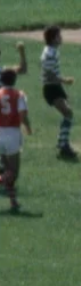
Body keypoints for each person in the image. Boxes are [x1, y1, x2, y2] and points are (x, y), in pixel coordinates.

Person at [40, 25, 78, 159]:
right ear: (53, 38)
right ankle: (63, 145)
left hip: (54, 87)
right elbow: (49, 75)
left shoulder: (52, 51)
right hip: (52, 88)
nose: (61, 38)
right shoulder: (50, 54)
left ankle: (62, 143)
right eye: (59, 36)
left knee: (68, 113)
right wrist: (64, 80)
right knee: (68, 113)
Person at [0, 69, 32, 214]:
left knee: (7, 170)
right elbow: (22, 114)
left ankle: (13, 202)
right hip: (12, 133)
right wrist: (28, 127)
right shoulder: (19, 95)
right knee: (13, 172)